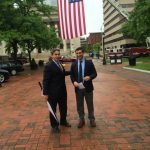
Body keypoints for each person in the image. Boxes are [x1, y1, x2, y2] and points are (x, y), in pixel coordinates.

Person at [43, 49, 71, 133]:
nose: (58, 56)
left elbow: (62, 73)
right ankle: (54, 125)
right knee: (53, 110)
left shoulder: (59, 64)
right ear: (52, 55)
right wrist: (45, 93)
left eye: (59, 54)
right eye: (56, 54)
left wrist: (71, 71)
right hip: (53, 93)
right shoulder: (49, 65)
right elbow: (46, 80)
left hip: (62, 91)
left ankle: (63, 121)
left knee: (63, 108)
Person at [70, 47, 97, 128]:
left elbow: (95, 73)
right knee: (79, 104)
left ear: (83, 53)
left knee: (90, 104)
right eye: (77, 53)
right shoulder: (74, 64)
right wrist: (73, 81)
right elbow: (72, 75)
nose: (78, 55)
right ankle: (81, 119)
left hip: (88, 87)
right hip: (78, 88)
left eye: (80, 53)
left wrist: (90, 77)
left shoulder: (89, 63)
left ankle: (91, 119)